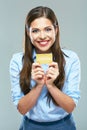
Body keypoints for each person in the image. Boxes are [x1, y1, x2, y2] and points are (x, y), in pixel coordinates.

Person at [9, 6, 81, 130]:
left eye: (47, 29)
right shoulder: (17, 61)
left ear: (56, 30)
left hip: (64, 125)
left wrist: (51, 85)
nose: (42, 36)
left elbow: (70, 107)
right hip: (30, 126)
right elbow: (22, 109)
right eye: (35, 31)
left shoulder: (70, 59)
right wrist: (38, 85)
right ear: (28, 32)